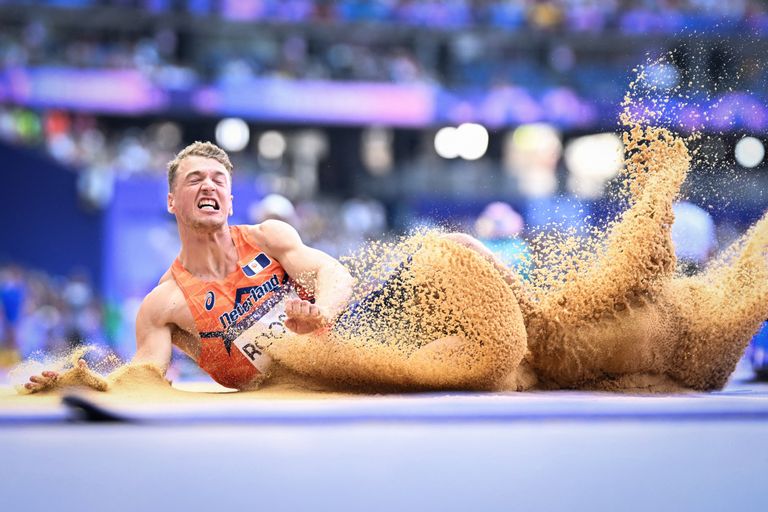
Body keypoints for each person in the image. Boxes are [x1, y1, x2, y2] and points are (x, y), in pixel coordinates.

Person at [24, 141, 526, 393]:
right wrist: (87, 382)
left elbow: (336, 275)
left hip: (359, 332)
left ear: (231, 197)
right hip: (294, 385)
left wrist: (322, 315)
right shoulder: (164, 305)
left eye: (219, 179)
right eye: (195, 179)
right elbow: (146, 377)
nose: (208, 187)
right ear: (173, 201)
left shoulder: (270, 237)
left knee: (454, 246)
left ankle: (549, 323)